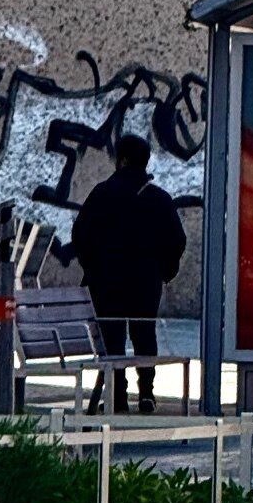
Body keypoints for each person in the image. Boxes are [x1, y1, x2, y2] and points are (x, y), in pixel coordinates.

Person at [71, 135, 187, 413]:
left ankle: (117, 395)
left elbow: (80, 236)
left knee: (112, 338)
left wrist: (93, 268)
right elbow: (177, 240)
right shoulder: (159, 199)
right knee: (144, 334)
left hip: (106, 282)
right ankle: (146, 392)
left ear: (121, 160)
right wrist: (163, 272)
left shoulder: (101, 194)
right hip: (145, 282)